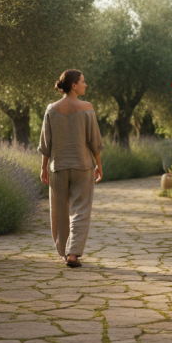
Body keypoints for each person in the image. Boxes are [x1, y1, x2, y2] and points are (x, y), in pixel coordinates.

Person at [38, 69, 104, 268]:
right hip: (82, 166)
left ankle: (63, 252)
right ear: (74, 86)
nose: (85, 85)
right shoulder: (87, 108)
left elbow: (46, 143)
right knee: (81, 209)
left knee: (59, 210)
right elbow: (94, 141)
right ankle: (73, 252)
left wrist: (43, 167)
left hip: (58, 167)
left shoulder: (51, 109)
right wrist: (99, 165)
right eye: (83, 81)